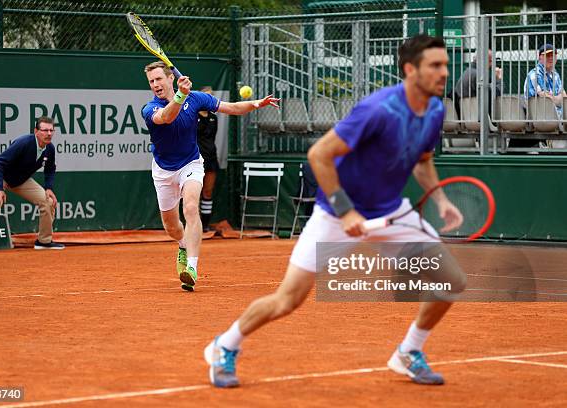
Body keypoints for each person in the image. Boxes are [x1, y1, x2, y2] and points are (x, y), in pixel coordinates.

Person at [204, 34, 467, 388]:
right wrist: (346, 213)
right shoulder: (378, 110)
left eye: (445, 65)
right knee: (287, 300)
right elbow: (319, 155)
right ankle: (225, 344)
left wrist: (439, 199)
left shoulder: (435, 110)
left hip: (392, 211)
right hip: (334, 214)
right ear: (410, 69)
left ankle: (408, 351)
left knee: (450, 280)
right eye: (435, 65)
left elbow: (421, 161)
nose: (444, 73)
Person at [141, 61, 279, 291]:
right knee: (171, 227)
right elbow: (166, 117)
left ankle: (192, 268)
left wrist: (256, 103)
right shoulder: (149, 108)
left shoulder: (196, 98)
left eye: (158, 79)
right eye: (151, 81)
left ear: (170, 79)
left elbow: (232, 108)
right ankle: (183, 245)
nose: (155, 85)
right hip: (164, 170)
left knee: (191, 207)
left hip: (191, 163)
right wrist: (180, 97)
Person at [0, 116, 64, 253]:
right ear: (36, 131)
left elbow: (50, 168)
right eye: (45, 130)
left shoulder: (50, 148)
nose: (49, 134)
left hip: (20, 180)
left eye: (51, 130)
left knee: (48, 201)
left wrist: (49, 188)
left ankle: (44, 241)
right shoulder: (23, 143)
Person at [523, 43, 566, 149]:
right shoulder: (534, 75)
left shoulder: (556, 75)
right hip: (542, 118)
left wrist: (555, 98)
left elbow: (564, 97)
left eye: (553, 55)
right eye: (548, 55)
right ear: (540, 58)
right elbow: (547, 100)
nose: (551, 58)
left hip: (559, 116)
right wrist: (556, 98)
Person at [453, 50, 503, 118]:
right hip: (481, 120)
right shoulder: (480, 76)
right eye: (491, 61)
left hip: (467, 119)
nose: (491, 64)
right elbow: (494, 94)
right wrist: (499, 79)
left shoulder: (467, 72)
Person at [196, 86, 220, 232]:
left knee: (208, 192)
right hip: (195, 160)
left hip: (211, 158)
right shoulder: (192, 116)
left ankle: (205, 225)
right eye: (206, 96)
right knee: (193, 195)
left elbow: (212, 139)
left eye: (211, 96)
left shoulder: (213, 118)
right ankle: (193, 225)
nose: (209, 99)